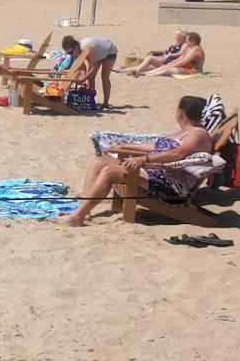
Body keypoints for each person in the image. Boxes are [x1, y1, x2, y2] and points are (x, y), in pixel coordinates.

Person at [60, 95, 212, 226]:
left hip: (170, 184)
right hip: (154, 171)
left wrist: (143, 159)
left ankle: (77, 217)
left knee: (109, 172)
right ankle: (84, 210)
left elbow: (177, 154)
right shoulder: (183, 131)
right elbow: (155, 145)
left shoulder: (197, 134)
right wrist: (125, 145)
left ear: (181, 113)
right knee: (98, 162)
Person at [61, 34, 118, 108]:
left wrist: (84, 79)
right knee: (90, 77)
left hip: (109, 51)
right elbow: (82, 67)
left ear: (76, 47)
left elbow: (93, 67)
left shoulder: (86, 48)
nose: (70, 55)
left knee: (104, 77)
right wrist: (84, 79)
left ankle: (106, 102)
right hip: (98, 53)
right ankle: (91, 98)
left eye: (70, 52)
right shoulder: (77, 51)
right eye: (68, 53)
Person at [136, 32, 205, 77]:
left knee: (167, 69)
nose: (186, 41)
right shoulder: (190, 48)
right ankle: (146, 73)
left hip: (194, 71)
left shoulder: (196, 50)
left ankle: (146, 75)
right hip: (186, 67)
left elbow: (184, 61)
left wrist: (171, 66)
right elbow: (181, 58)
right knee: (165, 66)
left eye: (187, 40)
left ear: (192, 41)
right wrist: (171, 63)